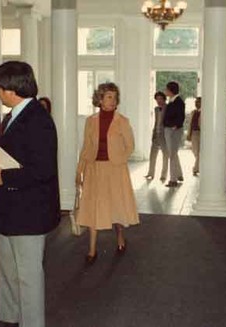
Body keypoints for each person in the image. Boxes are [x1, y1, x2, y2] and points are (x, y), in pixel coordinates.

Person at [0, 61, 60, 327]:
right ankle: (11, 316)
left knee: (28, 275)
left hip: (28, 211)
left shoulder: (37, 119)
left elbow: (43, 170)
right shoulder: (14, 115)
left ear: (10, 88)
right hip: (9, 207)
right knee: (6, 269)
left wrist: (2, 176)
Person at [76, 82, 139, 264]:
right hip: (94, 169)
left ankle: (120, 236)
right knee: (93, 208)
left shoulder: (122, 121)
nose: (113, 100)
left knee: (116, 206)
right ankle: (92, 250)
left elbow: (130, 146)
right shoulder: (91, 121)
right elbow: (86, 147)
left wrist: (119, 159)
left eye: (114, 97)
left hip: (115, 170)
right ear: (100, 99)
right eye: (109, 97)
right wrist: (79, 170)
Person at [163, 81, 185, 187]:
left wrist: (174, 126)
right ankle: (179, 174)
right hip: (170, 129)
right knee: (173, 153)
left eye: (166, 89)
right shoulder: (172, 101)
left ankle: (173, 180)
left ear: (171, 90)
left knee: (172, 154)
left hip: (173, 131)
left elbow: (180, 118)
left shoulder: (178, 101)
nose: (165, 91)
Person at [145, 91, 169, 181]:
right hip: (156, 134)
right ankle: (150, 173)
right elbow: (156, 122)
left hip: (165, 135)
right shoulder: (156, 109)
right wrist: (154, 133)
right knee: (152, 155)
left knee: (165, 155)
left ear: (164, 99)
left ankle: (164, 175)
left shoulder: (168, 108)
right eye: (157, 99)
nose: (158, 101)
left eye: (160, 99)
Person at [187, 97, 202, 176]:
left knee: (199, 152)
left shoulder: (204, 112)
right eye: (196, 102)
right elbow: (190, 124)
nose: (196, 103)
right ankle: (198, 166)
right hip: (194, 133)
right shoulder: (193, 112)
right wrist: (189, 134)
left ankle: (196, 168)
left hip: (201, 133)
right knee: (195, 151)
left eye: (198, 102)